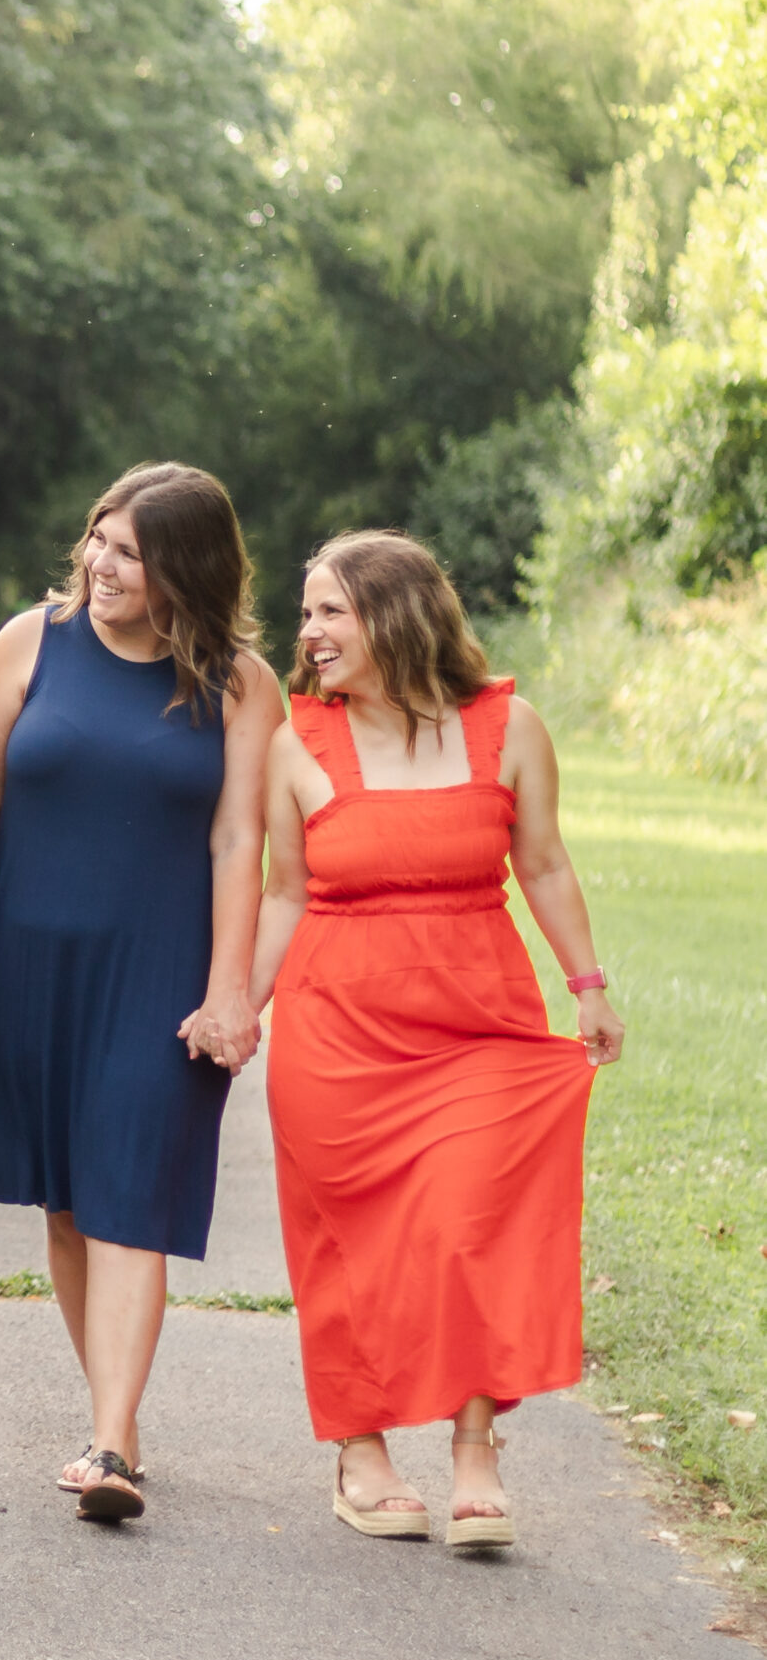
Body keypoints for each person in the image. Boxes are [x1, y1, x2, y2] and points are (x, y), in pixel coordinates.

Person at [251, 530, 626, 1549]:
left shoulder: (509, 726)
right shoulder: (299, 740)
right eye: (308, 611)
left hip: (480, 1019)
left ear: (396, 613)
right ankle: (361, 1449)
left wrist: (586, 984)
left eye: (332, 610)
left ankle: (474, 1445)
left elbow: (544, 863)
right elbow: (284, 890)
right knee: (350, 1247)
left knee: (473, 1227)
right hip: (338, 1026)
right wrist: (240, 1003)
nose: (310, 632)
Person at [0, 463, 283, 1522]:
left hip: (160, 971)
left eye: (128, 552)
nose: (100, 563)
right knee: (73, 1200)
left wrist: (233, 991)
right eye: (97, 538)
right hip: (32, 958)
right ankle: (109, 1415)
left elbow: (239, 840)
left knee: (129, 1190)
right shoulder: (30, 641)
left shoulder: (238, 681)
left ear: (187, 568)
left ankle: (114, 1441)